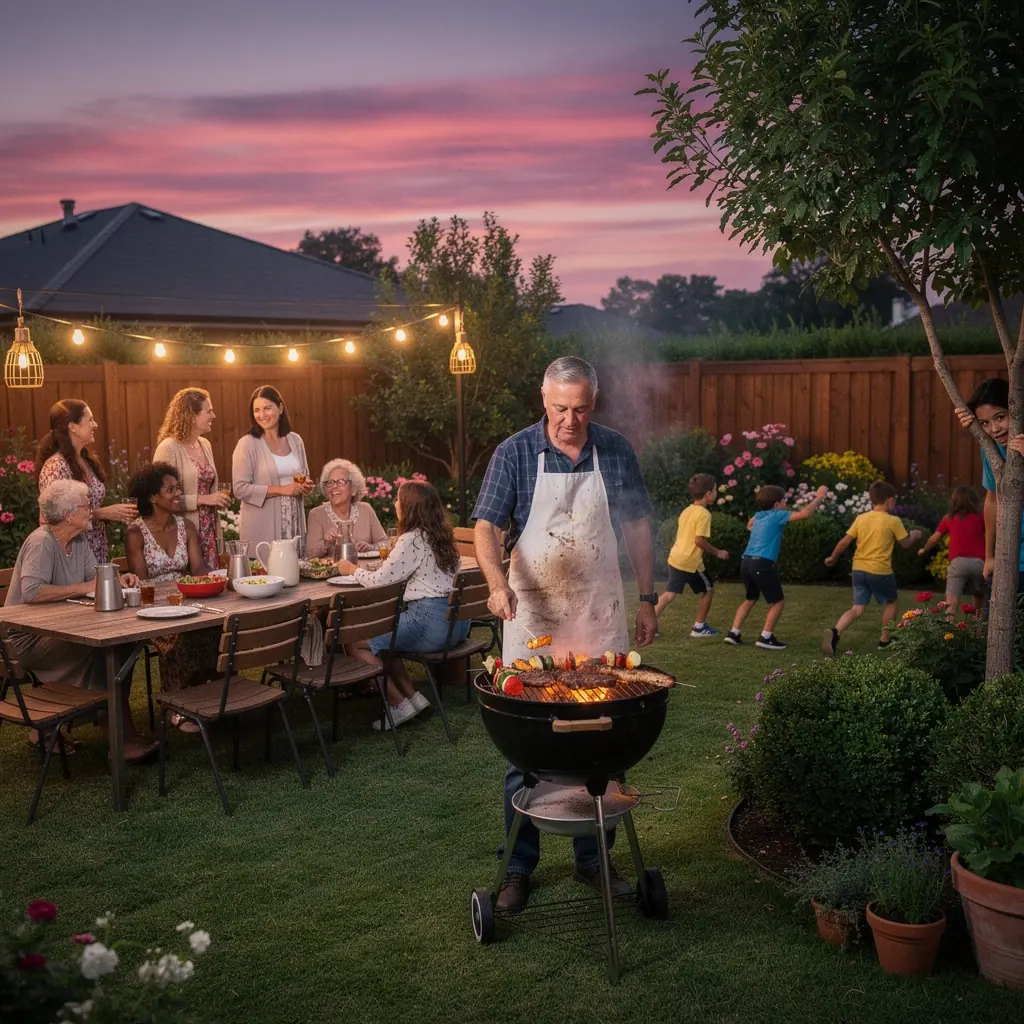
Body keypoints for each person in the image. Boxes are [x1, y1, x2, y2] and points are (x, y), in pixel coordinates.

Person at [473, 355, 656, 914]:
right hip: (532, 621)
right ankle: (517, 867)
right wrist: (496, 584)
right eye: (559, 409)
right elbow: (487, 526)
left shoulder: (615, 450)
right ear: (543, 398)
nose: (569, 421)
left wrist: (648, 598)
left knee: (605, 743)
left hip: (598, 616)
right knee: (527, 749)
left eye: (579, 409)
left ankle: (595, 861)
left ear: (593, 403)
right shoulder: (514, 453)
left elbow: (637, 526)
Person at [4, 479, 155, 761]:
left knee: (122, 647)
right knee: (103, 652)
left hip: (62, 629)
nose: (91, 510)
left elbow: (94, 578)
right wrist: (85, 587)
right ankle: (118, 741)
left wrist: (117, 579)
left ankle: (123, 730)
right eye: (86, 506)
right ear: (68, 514)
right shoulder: (41, 541)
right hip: (26, 640)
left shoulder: (80, 540)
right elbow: (32, 592)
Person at [333, 481, 468, 730]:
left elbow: (378, 583)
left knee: (355, 640)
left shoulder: (411, 540)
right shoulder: (442, 537)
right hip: (457, 623)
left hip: (431, 624)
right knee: (385, 635)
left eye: (398, 499)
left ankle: (397, 705)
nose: (395, 503)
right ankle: (413, 698)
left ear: (409, 507)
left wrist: (351, 569)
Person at [125, 463, 220, 732]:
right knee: (178, 637)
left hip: (186, 598)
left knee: (217, 627)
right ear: (153, 497)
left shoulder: (186, 526)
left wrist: (219, 578)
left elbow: (198, 568)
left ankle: (214, 695)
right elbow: (142, 581)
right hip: (153, 607)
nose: (178, 493)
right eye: (170, 490)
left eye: (178, 488)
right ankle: (176, 705)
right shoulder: (135, 532)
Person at [821, 481, 922, 655]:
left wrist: (833, 557)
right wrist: (914, 535)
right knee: (892, 602)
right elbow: (905, 544)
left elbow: (845, 541)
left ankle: (835, 632)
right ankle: (885, 640)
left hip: (859, 570)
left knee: (857, 609)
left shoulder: (861, 518)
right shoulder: (893, 520)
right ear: (889, 500)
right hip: (879, 570)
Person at [724, 484, 827, 649]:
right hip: (761, 563)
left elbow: (749, 525)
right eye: (784, 500)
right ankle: (766, 637)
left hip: (746, 561)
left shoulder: (758, 515)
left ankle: (733, 633)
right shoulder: (778, 515)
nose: (786, 502)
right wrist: (819, 497)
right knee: (778, 601)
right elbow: (805, 513)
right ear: (777, 504)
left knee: (750, 598)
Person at [36, 399, 136, 564]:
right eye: (90, 420)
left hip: (95, 550)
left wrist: (110, 514)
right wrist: (104, 513)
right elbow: (56, 517)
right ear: (73, 427)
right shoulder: (56, 466)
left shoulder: (85, 460)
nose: (95, 425)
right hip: (71, 555)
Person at [955, 378, 1024, 594]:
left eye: (1000, 417)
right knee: (992, 615)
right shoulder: (991, 449)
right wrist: (990, 557)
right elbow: (992, 501)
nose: (994, 429)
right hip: (1008, 559)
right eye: (984, 423)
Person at [152, 388, 232, 568]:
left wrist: (217, 500)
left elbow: (209, 489)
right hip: (182, 531)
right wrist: (204, 499)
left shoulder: (205, 445)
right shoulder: (168, 448)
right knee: (191, 579)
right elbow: (159, 497)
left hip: (209, 529)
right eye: (208, 411)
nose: (213, 416)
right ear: (191, 415)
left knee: (212, 578)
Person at [231, 386, 314, 549]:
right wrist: (282, 490)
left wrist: (306, 485)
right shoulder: (247, 444)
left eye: (267, 408)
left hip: (294, 525)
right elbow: (240, 489)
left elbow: (305, 475)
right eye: (257, 410)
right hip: (263, 528)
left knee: (295, 564)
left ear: (280, 408)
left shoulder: (295, 440)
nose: (262, 415)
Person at [654, 473, 729, 637]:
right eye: (715, 490)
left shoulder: (687, 511)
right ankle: (699, 628)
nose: (716, 493)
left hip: (676, 557)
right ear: (708, 494)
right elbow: (699, 540)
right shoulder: (704, 514)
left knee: (669, 594)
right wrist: (718, 552)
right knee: (708, 590)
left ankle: (649, 625)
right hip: (690, 561)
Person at [917, 486, 986, 613]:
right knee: (979, 595)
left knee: (951, 603)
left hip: (957, 563)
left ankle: (948, 621)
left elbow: (934, 538)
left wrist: (924, 549)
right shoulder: (981, 517)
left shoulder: (948, 518)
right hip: (979, 563)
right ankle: (978, 622)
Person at [305, 459, 387, 557]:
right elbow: (310, 554)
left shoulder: (366, 509)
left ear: (353, 489)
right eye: (330, 482)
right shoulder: (316, 514)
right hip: (334, 567)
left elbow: (384, 543)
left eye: (341, 482)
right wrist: (325, 542)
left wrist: (371, 547)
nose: (334, 486)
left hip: (365, 566)